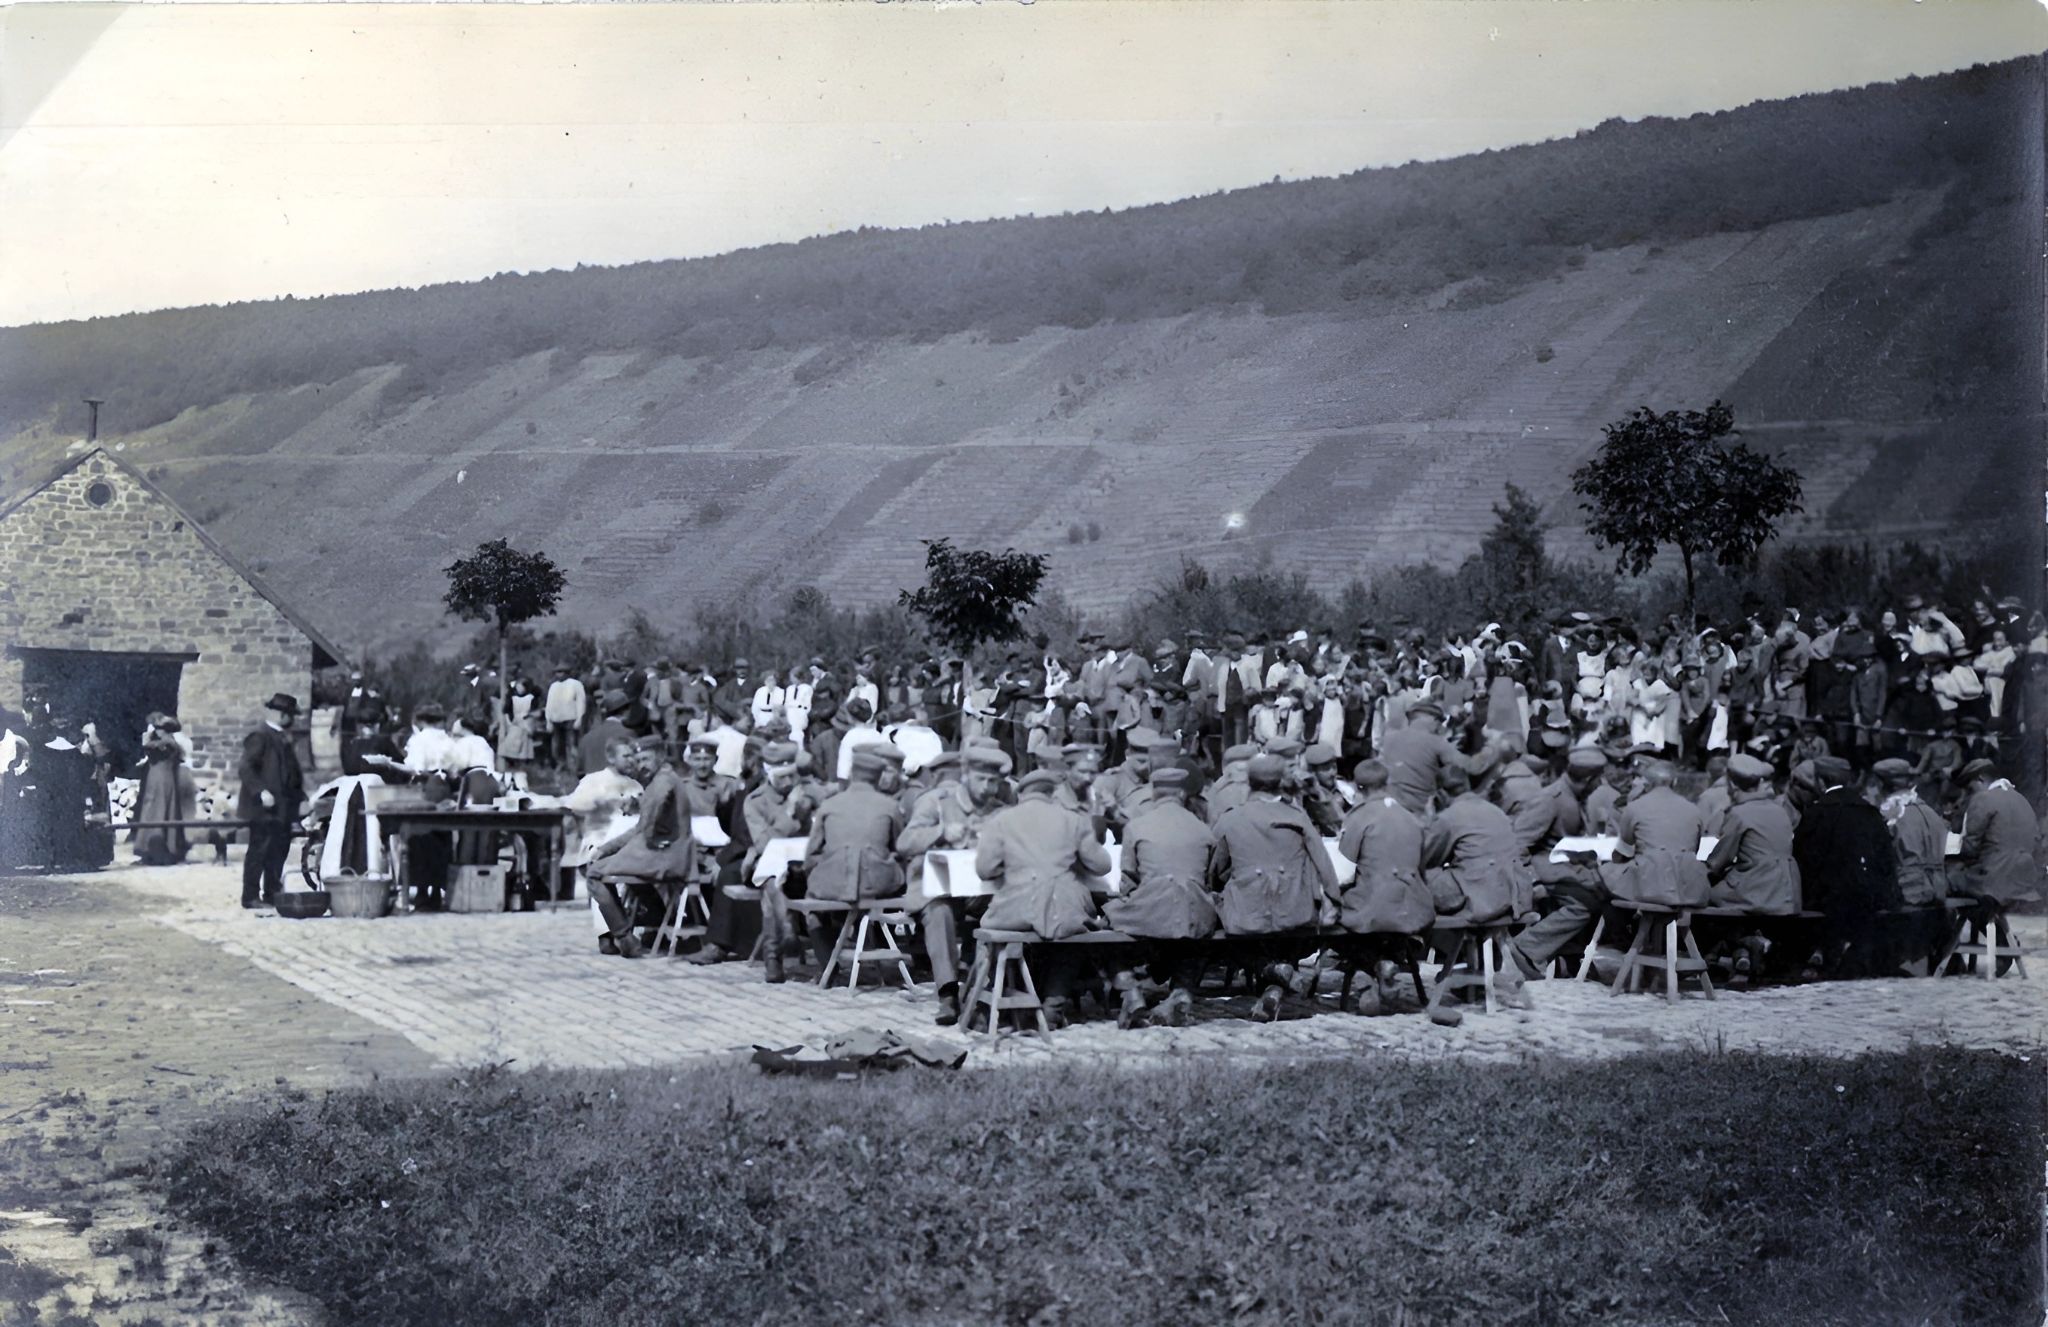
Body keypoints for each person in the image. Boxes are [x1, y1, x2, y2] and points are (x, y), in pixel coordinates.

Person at [974, 766, 1113, 1028]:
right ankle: (1053, 1007)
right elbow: (1102, 865)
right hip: (1065, 905)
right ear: (1051, 793)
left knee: (985, 931)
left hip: (1017, 906)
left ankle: (992, 1003)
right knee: (1075, 935)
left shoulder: (1002, 820)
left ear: (1021, 793)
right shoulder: (1073, 819)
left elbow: (984, 869)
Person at [1207, 753, 1341, 1022]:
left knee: (1226, 929)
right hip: (1296, 912)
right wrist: (1333, 901)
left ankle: (1272, 970)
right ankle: (1275, 985)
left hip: (1247, 916)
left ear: (1249, 783)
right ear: (1281, 783)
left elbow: (1215, 870)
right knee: (1289, 938)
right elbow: (1325, 865)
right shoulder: (1297, 817)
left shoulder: (1232, 818)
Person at [1103, 766, 1220, 1028]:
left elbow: (1129, 880)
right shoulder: (1203, 830)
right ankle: (1182, 992)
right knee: (1195, 941)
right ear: (1182, 794)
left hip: (1152, 909)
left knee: (1105, 930)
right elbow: (1209, 879)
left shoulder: (1137, 826)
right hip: (1194, 912)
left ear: (1155, 794)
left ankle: (1130, 990)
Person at [1792, 756, 1902, 975]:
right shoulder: (1869, 811)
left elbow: (1801, 857)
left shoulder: (1816, 812)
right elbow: (1886, 859)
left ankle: (1818, 950)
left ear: (1821, 781)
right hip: (1867, 896)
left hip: (1825, 897)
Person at [586, 740, 694, 957]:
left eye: (646, 759)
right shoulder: (662, 779)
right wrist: (607, 848)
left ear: (660, 757)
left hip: (665, 855)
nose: (641, 765)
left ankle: (623, 937)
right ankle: (642, 926)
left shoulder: (663, 781)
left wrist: (611, 849)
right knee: (606, 865)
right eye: (638, 760)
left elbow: (646, 826)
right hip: (665, 852)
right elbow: (640, 827)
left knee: (594, 873)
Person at [1334, 759, 1433, 937]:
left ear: (1357, 788)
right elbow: (1422, 869)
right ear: (1386, 784)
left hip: (1371, 909)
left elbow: (1343, 875)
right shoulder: (1411, 818)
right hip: (1411, 908)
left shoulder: (1358, 817)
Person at [1704, 754, 1800, 914]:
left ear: (1732, 785)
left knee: (1704, 894)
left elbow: (1718, 861)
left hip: (1757, 890)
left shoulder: (1739, 814)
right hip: (1788, 892)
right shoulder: (1779, 810)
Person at [236, 693, 306, 909]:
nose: (292, 719)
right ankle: (250, 896)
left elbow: (291, 773)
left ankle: (272, 892)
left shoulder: (283, 738)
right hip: (263, 809)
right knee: (259, 850)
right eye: (290, 715)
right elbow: (246, 768)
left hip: (283, 808)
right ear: (282, 714)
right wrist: (261, 792)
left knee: (278, 851)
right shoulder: (260, 736)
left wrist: (300, 797)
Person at [1954, 758, 2043, 908]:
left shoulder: (1982, 798)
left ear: (1980, 779)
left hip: (1994, 881)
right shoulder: (2021, 799)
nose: (1969, 795)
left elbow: (1970, 848)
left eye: (1970, 789)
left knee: (1945, 880)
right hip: (2024, 880)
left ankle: (1947, 930)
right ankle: (1991, 925)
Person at [133, 717, 199, 866]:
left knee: (159, 811)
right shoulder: (165, 741)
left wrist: (147, 737)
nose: (157, 731)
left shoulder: (168, 742)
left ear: (166, 729)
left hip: (162, 780)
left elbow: (149, 747)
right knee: (150, 811)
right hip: (155, 779)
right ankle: (148, 851)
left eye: (159, 728)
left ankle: (160, 852)